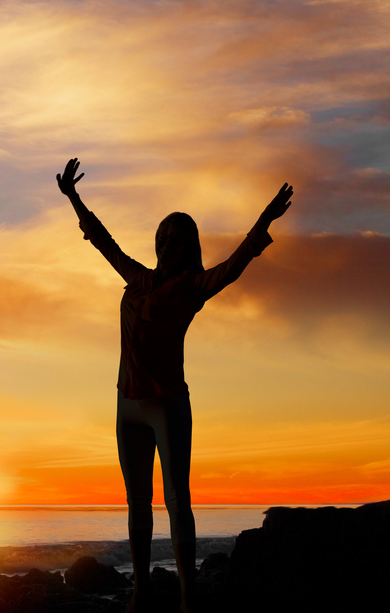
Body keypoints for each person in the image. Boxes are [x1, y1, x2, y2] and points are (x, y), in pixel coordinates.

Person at [56, 158, 293, 613]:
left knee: (177, 499)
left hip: (168, 406)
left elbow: (235, 264)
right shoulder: (138, 279)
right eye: (167, 238)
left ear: (189, 250)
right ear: (160, 242)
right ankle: (140, 591)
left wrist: (263, 220)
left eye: (181, 242)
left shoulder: (191, 287)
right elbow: (103, 243)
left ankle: (188, 597)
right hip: (128, 404)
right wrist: (73, 197)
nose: (171, 246)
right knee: (137, 501)